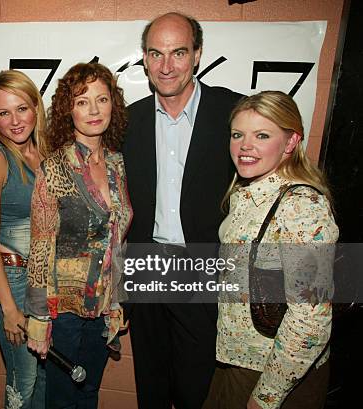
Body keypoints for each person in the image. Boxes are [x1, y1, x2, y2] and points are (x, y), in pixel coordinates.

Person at [121, 12, 243, 409]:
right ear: (144, 58)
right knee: (151, 387)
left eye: (178, 52)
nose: (166, 65)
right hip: (145, 267)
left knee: (196, 390)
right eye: (156, 54)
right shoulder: (128, 121)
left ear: (197, 55)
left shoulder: (233, 113)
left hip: (202, 271)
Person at [202, 91, 338, 409]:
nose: (245, 146)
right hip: (238, 360)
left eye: (262, 135)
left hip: (275, 374)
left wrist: (268, 395)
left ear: (290, 142)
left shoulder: (300, 206)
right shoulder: (249, 193)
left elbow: (311, 318)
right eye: (238, 135)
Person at [25, 62, 132, 409]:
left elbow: (118, 240)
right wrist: (39, 318)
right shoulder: (54, 167)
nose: (94, 110)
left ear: (112, 105)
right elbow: (41, 245)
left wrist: (118, 300)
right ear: (68, 109)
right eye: (82, 101)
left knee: (89, 391)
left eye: (102, 99)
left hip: (101, 307)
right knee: (61, 396)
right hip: (63, 310)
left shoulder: (117, 163)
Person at [0, 70, 48, 409]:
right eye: (3, 112)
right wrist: (8, 308)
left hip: (42, 281)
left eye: (21, 108)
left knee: (44, 377)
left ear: (36, 107)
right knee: (25, 378)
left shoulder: (44, 153)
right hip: (12, 281)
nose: (15, 120)